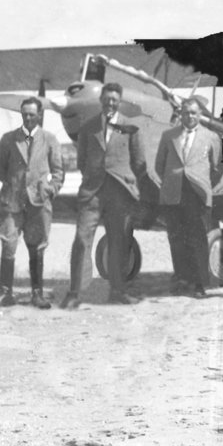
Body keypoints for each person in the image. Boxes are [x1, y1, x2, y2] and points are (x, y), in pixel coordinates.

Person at [61, 83, 151, 308]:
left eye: (114, 99)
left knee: (119, 241)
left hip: (121, 193)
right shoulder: (88, 127)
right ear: (101, 100)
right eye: (107, 99)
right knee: (82, 239)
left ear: (119, 102)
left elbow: (139, 162)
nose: (110, 103)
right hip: (93, 193)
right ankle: (75, 293)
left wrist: (130, 187)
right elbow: (82, 161)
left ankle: (118, 291)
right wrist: (94, 178)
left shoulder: (131, 127)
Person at [0, 97, 64, 309]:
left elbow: (58, 172)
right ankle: (5, 293)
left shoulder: (50, 139)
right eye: (24, 114)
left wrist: (49, 190)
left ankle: (37, 294)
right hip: (12, 202)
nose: (28, 118)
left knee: (37, 247)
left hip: (39, 203)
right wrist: (15, 186)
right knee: (8, 245)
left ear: (40, 115)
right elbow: (1, 169)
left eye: (32, 114)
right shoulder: (8, 139)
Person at [156, 96, 223, 299]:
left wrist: (204, 184)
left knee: (197, 240)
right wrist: (172, 180)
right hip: (174, 194)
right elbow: (160, 165)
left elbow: (217, 167)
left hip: (197, 194)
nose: (190, 116)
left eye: (194, 112)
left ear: (200, 115)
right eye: (186, 112)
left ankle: (198, 284)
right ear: (181, 114)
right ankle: (181, 280)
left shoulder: (211, 137)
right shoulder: (169, 136)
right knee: (176, 238)